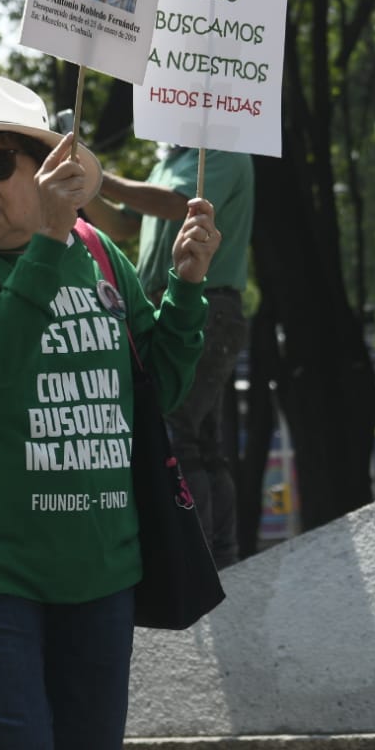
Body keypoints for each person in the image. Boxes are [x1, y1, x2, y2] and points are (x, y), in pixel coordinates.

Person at [0, 75, 217, 750]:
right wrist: (45, 242)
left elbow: (152, 393)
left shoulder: (97, 253)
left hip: (97, 569)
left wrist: (187, 289)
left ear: (47, 170)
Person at [83, 146, 255, 567]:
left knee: (176, 427)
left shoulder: (223, 152)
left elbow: (176, 205)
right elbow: (124, 225)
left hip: (205, 303)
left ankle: (197, 556)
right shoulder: (169, 163)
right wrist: (83, 188)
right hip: (175, 304)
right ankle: (217, 557)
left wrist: (97, 175)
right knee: (200, 437)